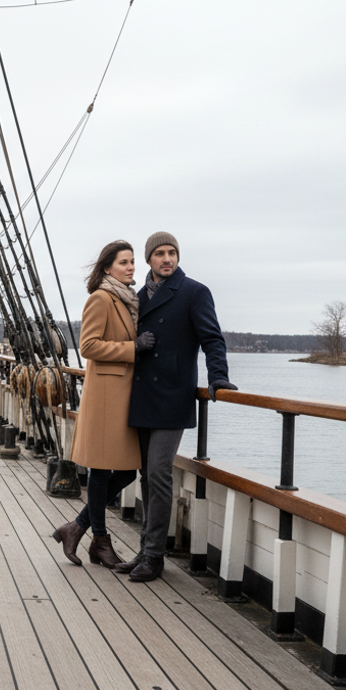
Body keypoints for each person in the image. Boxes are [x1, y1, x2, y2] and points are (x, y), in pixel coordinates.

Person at [115, 232, 237, 582]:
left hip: (172, 396)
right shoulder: (137, 298)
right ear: (149, 259)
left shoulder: (194, 292)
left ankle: (154, 557)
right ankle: (144, 550)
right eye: (159, 254)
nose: (167, 259)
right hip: (141, 397)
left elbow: (212, 338)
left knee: (158, 472)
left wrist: (218, 377)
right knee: (146, 476)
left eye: (172, 253)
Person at [52, 240, 149, 567]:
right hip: (106, 397)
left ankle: (77, 529)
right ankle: (100, 541)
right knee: (102, 470)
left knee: (125, 473)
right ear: (107, 268)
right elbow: (89, 345)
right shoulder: (101, 298)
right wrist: (133, 349)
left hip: (122, 398)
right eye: (124, 262)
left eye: (133, 262)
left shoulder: (126, 300)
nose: (131, 267)